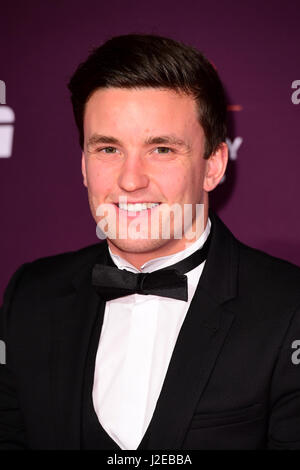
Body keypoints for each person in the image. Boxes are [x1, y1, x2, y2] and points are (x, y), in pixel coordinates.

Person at [1, 34, 300, 451]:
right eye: (108, 148)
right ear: (84, 165)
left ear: (212, 166)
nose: (130, 180)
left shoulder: (289, 308)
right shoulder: (29, 297)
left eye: (161, 149)